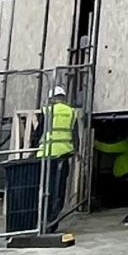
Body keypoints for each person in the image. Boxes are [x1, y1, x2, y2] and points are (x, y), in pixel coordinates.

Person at [36, 87, 77, 229]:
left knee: (46, 189)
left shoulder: (48, 110)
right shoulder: (71, 112)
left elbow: (39, 132)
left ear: (52, 98)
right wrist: (76, 152)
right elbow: (75, 134)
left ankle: (42, 221)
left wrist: (32, 148)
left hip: (47, 155)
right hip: (64, 155)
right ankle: (52, 223)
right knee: (59, 191)